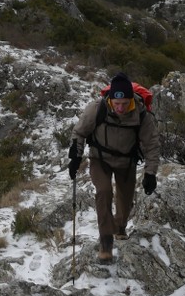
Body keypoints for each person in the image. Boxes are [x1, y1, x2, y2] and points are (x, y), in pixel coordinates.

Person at [68, 72, 160, 264]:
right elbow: (79, 132)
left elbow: (152, 144)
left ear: (131, 101)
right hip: (99, 159)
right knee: (104, 191)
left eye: (124, 103)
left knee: (125, 200)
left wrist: (150, 173)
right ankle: (106, 243)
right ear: (110, 99)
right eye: (116, 103)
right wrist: (75, 157)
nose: (120, 108)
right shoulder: (97, 108)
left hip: (127, 161)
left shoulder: (141, 114)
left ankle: (119, 228)